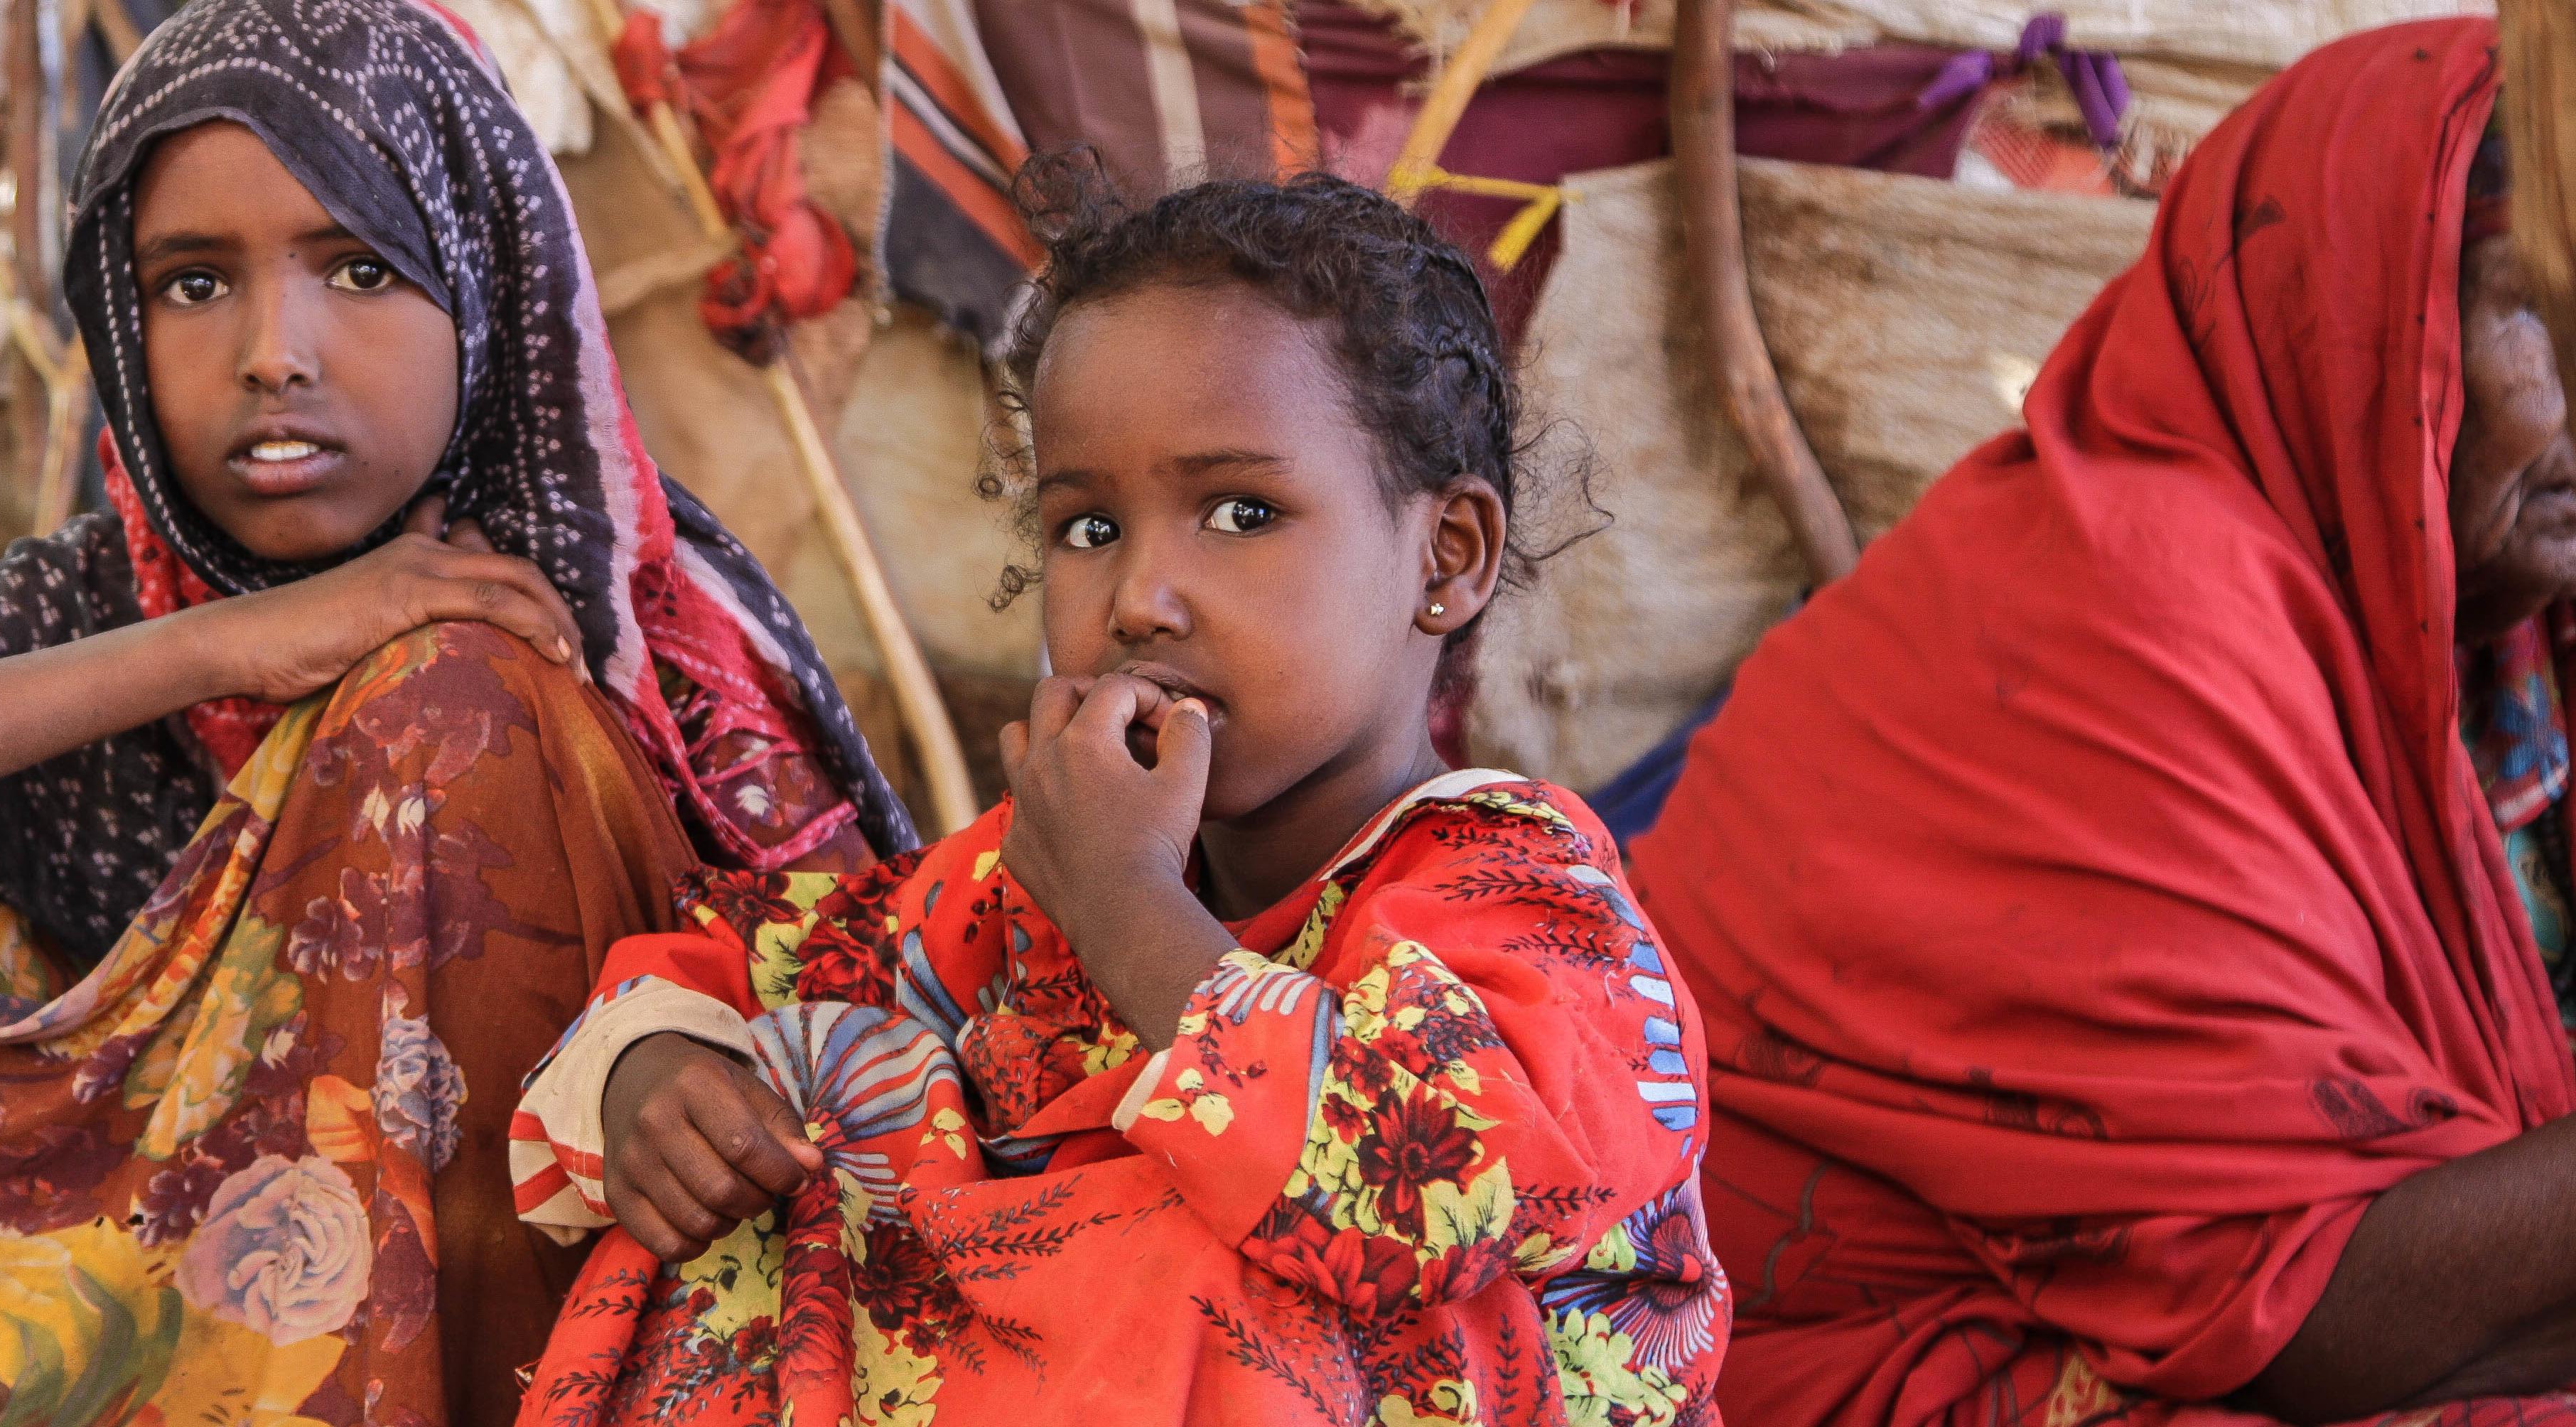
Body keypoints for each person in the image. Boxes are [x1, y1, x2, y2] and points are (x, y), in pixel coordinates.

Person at [0, 1, 917, 1420]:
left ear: (485, 286)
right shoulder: (94, 606)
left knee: (449, 699)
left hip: (579, 1320)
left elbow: (857, 1003)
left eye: (363, 267)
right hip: (192, 1301)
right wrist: (221, 644)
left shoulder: (635, 627)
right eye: (193, 284)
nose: (275, 350)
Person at [501, 172, 1724, 1426]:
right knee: (800, 1150)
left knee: (1189, 1245)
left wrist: (1126, 906)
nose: (1140, 597)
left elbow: (1419, 1207)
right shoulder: (1043, 871)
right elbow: (746, 957)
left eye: (1241, 513)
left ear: (1446, 556)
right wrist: (655, 1075)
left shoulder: (1531, 906)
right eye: (1087, 528)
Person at [1632, 19, 2576, 1426]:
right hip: (1842, 1347)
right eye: (2533, 311)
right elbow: (2292, 1312)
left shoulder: (2481, 614)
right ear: (2354, 310)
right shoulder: (2132, 623)